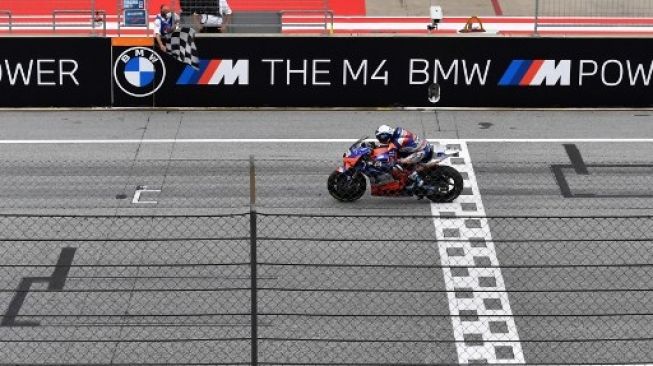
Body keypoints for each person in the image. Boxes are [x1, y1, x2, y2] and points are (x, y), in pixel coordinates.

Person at [375, 124, 434, 193]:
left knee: (400, 163)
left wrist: (380, 164)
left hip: (421, 152)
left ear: (385, 137)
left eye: (380, 138)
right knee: (399, 158)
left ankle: (419, 182)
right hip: (421, 147)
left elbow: (392, 160)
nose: (379, 140)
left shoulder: (396, 142)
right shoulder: (398, 131)